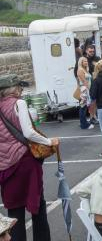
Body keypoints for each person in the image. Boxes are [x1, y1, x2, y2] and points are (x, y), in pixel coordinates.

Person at [0, 74, 59, 241]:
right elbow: (28, 132)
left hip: (5, 165)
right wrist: (49, 141)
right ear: (13, 89)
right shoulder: (19, 103)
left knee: (15, 211)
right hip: (24, 162)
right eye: (19, 86)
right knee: (38, 205)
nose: (21, 89)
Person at [76, 56, 94, 130]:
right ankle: (84, 125)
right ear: (81, 62)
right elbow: (84, 81)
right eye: (84, 61)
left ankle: (83, 123)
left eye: (86, 61)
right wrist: (89, 90)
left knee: (84, 107)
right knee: (83, 107)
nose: (86, 62)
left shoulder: (85, 69)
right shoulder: (80, 70)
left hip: (86, 89)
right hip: (84, 90)